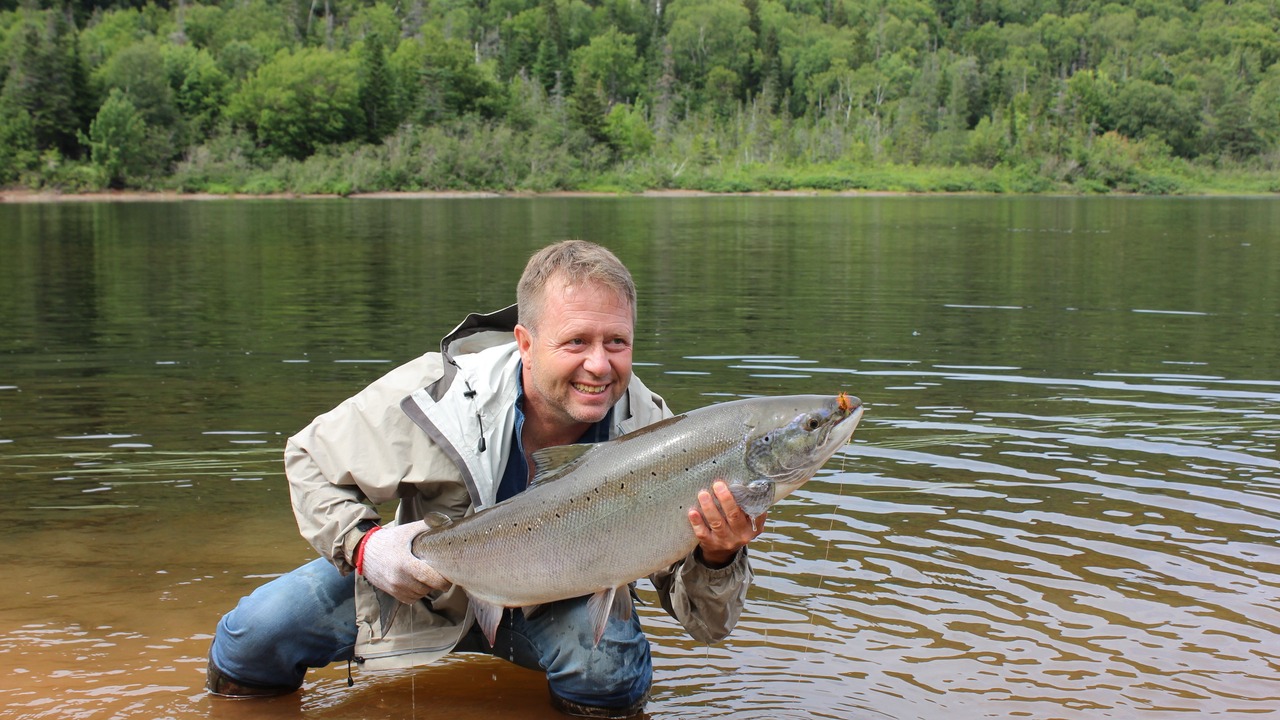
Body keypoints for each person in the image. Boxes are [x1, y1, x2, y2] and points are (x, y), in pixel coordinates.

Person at [206, 240, 765, 718]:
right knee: (254, 635)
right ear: (524, 342)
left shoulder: (661, 436)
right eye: (576, 342)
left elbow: (708, 626)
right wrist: (365, 545)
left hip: (557, 604)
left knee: (609, 676)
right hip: (425, 586)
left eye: (616, 342)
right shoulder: (438, 395)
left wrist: (717, 558)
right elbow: (309, 458)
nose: (600, 365)